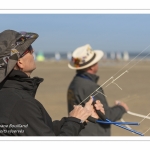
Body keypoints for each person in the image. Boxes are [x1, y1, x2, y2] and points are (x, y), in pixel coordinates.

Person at [0, 30, 104, 136]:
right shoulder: (21, 104)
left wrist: (81, 117)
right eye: (29, 49)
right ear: (19, 62)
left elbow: (40, 129)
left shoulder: (9, 95)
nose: (33, 50)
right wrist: (75, 121)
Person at [67, 44, 129, 136]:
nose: (97, 64)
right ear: (91, 66)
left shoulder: (74, 83)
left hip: (80, 133)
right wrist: (121, 108)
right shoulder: (91, 87)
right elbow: (106, 116)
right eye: (96, 62)